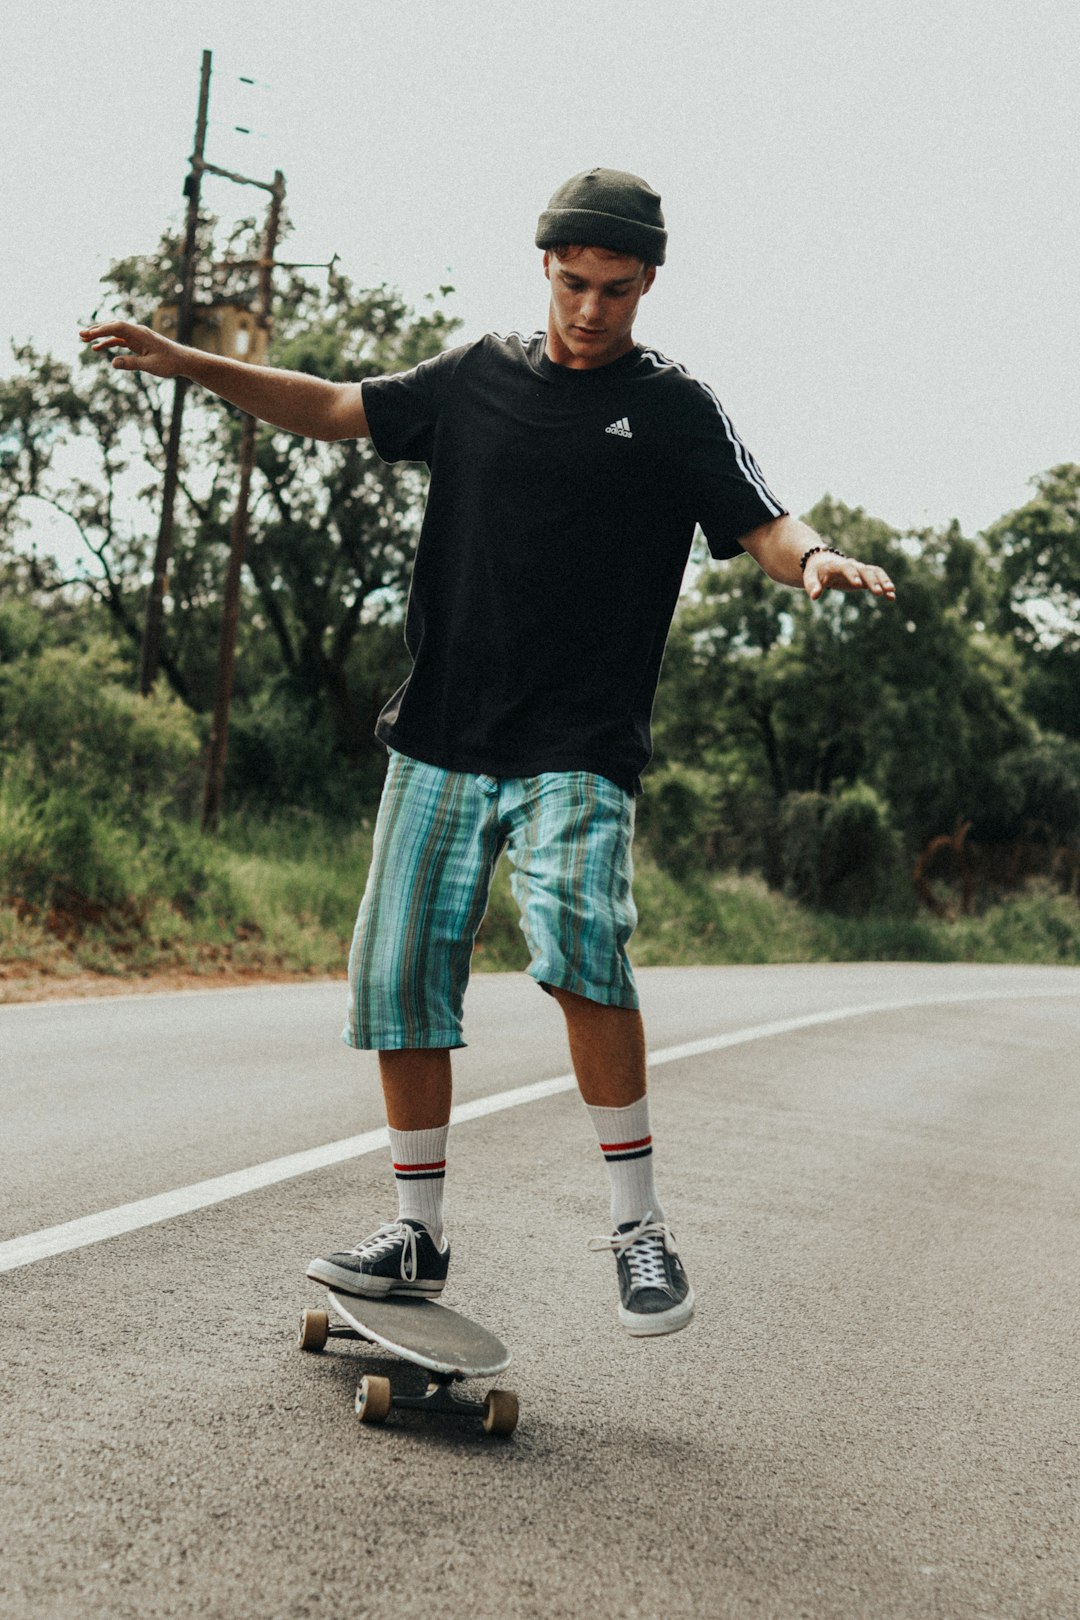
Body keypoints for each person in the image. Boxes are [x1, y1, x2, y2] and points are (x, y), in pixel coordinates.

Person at [81, 167, 895, 1338]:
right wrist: (194, 362)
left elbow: (762, 521)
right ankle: (415, 1233)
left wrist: (814, 559)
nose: (591, 309)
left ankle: (639, 1229)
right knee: (398, 973)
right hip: (445, 735)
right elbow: (334, 406)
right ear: (546, 270)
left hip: (579, 747)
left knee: (579, 948)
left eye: (617, 290)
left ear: (648, 282)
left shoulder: (672, 407)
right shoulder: (476, 377)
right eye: (574, 284)